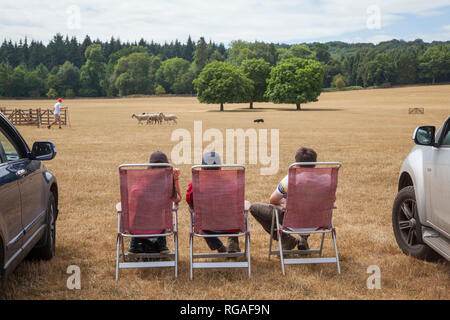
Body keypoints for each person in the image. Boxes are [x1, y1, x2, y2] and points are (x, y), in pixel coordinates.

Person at [250, 147, 321, 251]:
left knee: (254, 208)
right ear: (315, 163)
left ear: (296, 164)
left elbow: (273, 200)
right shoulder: (326, 180)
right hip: (317, 222)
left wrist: (285, 201)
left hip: (292, 221)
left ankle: (286, 239)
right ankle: (303, 239)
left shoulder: (289, 180)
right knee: (308, 208)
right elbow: (330, 200)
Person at [185, 152, 240, 253]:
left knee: (197, 218)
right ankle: (233, 243)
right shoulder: (230, 184)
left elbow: (189, 201)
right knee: (238, 214)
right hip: (229, 224)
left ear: (202, 168)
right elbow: (236, 203)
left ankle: (220, 247)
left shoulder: (195, 184)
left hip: (205, 225)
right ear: (220, 168)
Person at [128, 151, 181, 255]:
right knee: (161, 217)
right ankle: (162, 246)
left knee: (138, 218)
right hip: (159, 226)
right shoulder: (166, 184)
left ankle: (133, 247)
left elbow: (132, 199)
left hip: (137, 226)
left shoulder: (140, 181)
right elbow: (178, 199)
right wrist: (175, 179)